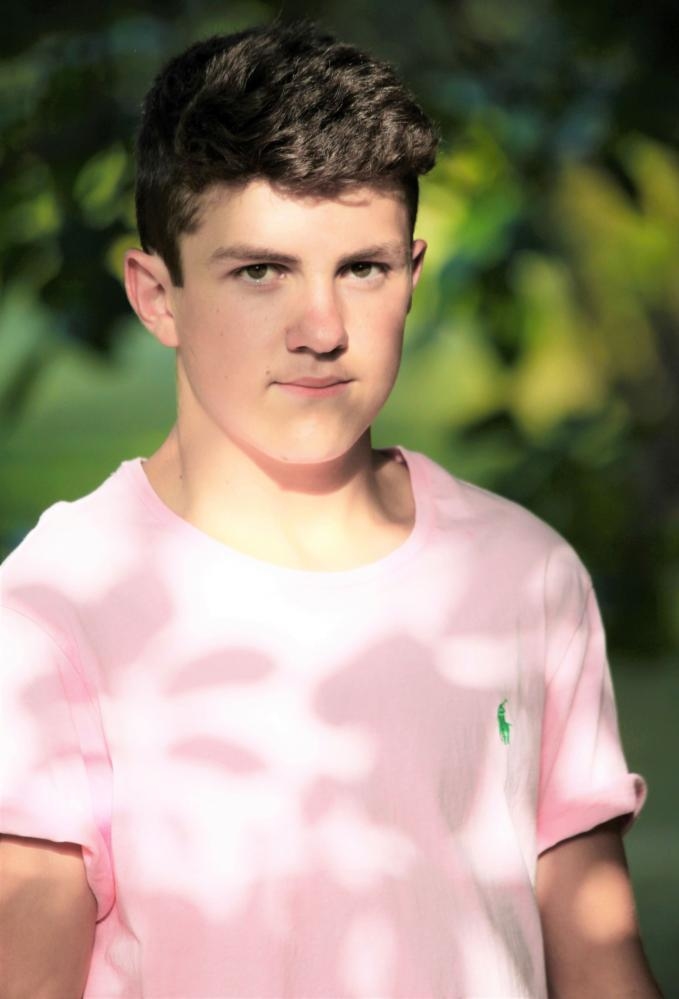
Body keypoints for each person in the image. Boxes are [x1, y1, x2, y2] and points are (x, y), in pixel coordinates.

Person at [0, 16, 663, 999]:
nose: (321, 329)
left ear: (411, 274)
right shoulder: (55, 609)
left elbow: (598, 960)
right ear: (157, 294)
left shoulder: (523, 575)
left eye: (361, 268)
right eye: (259, 271)